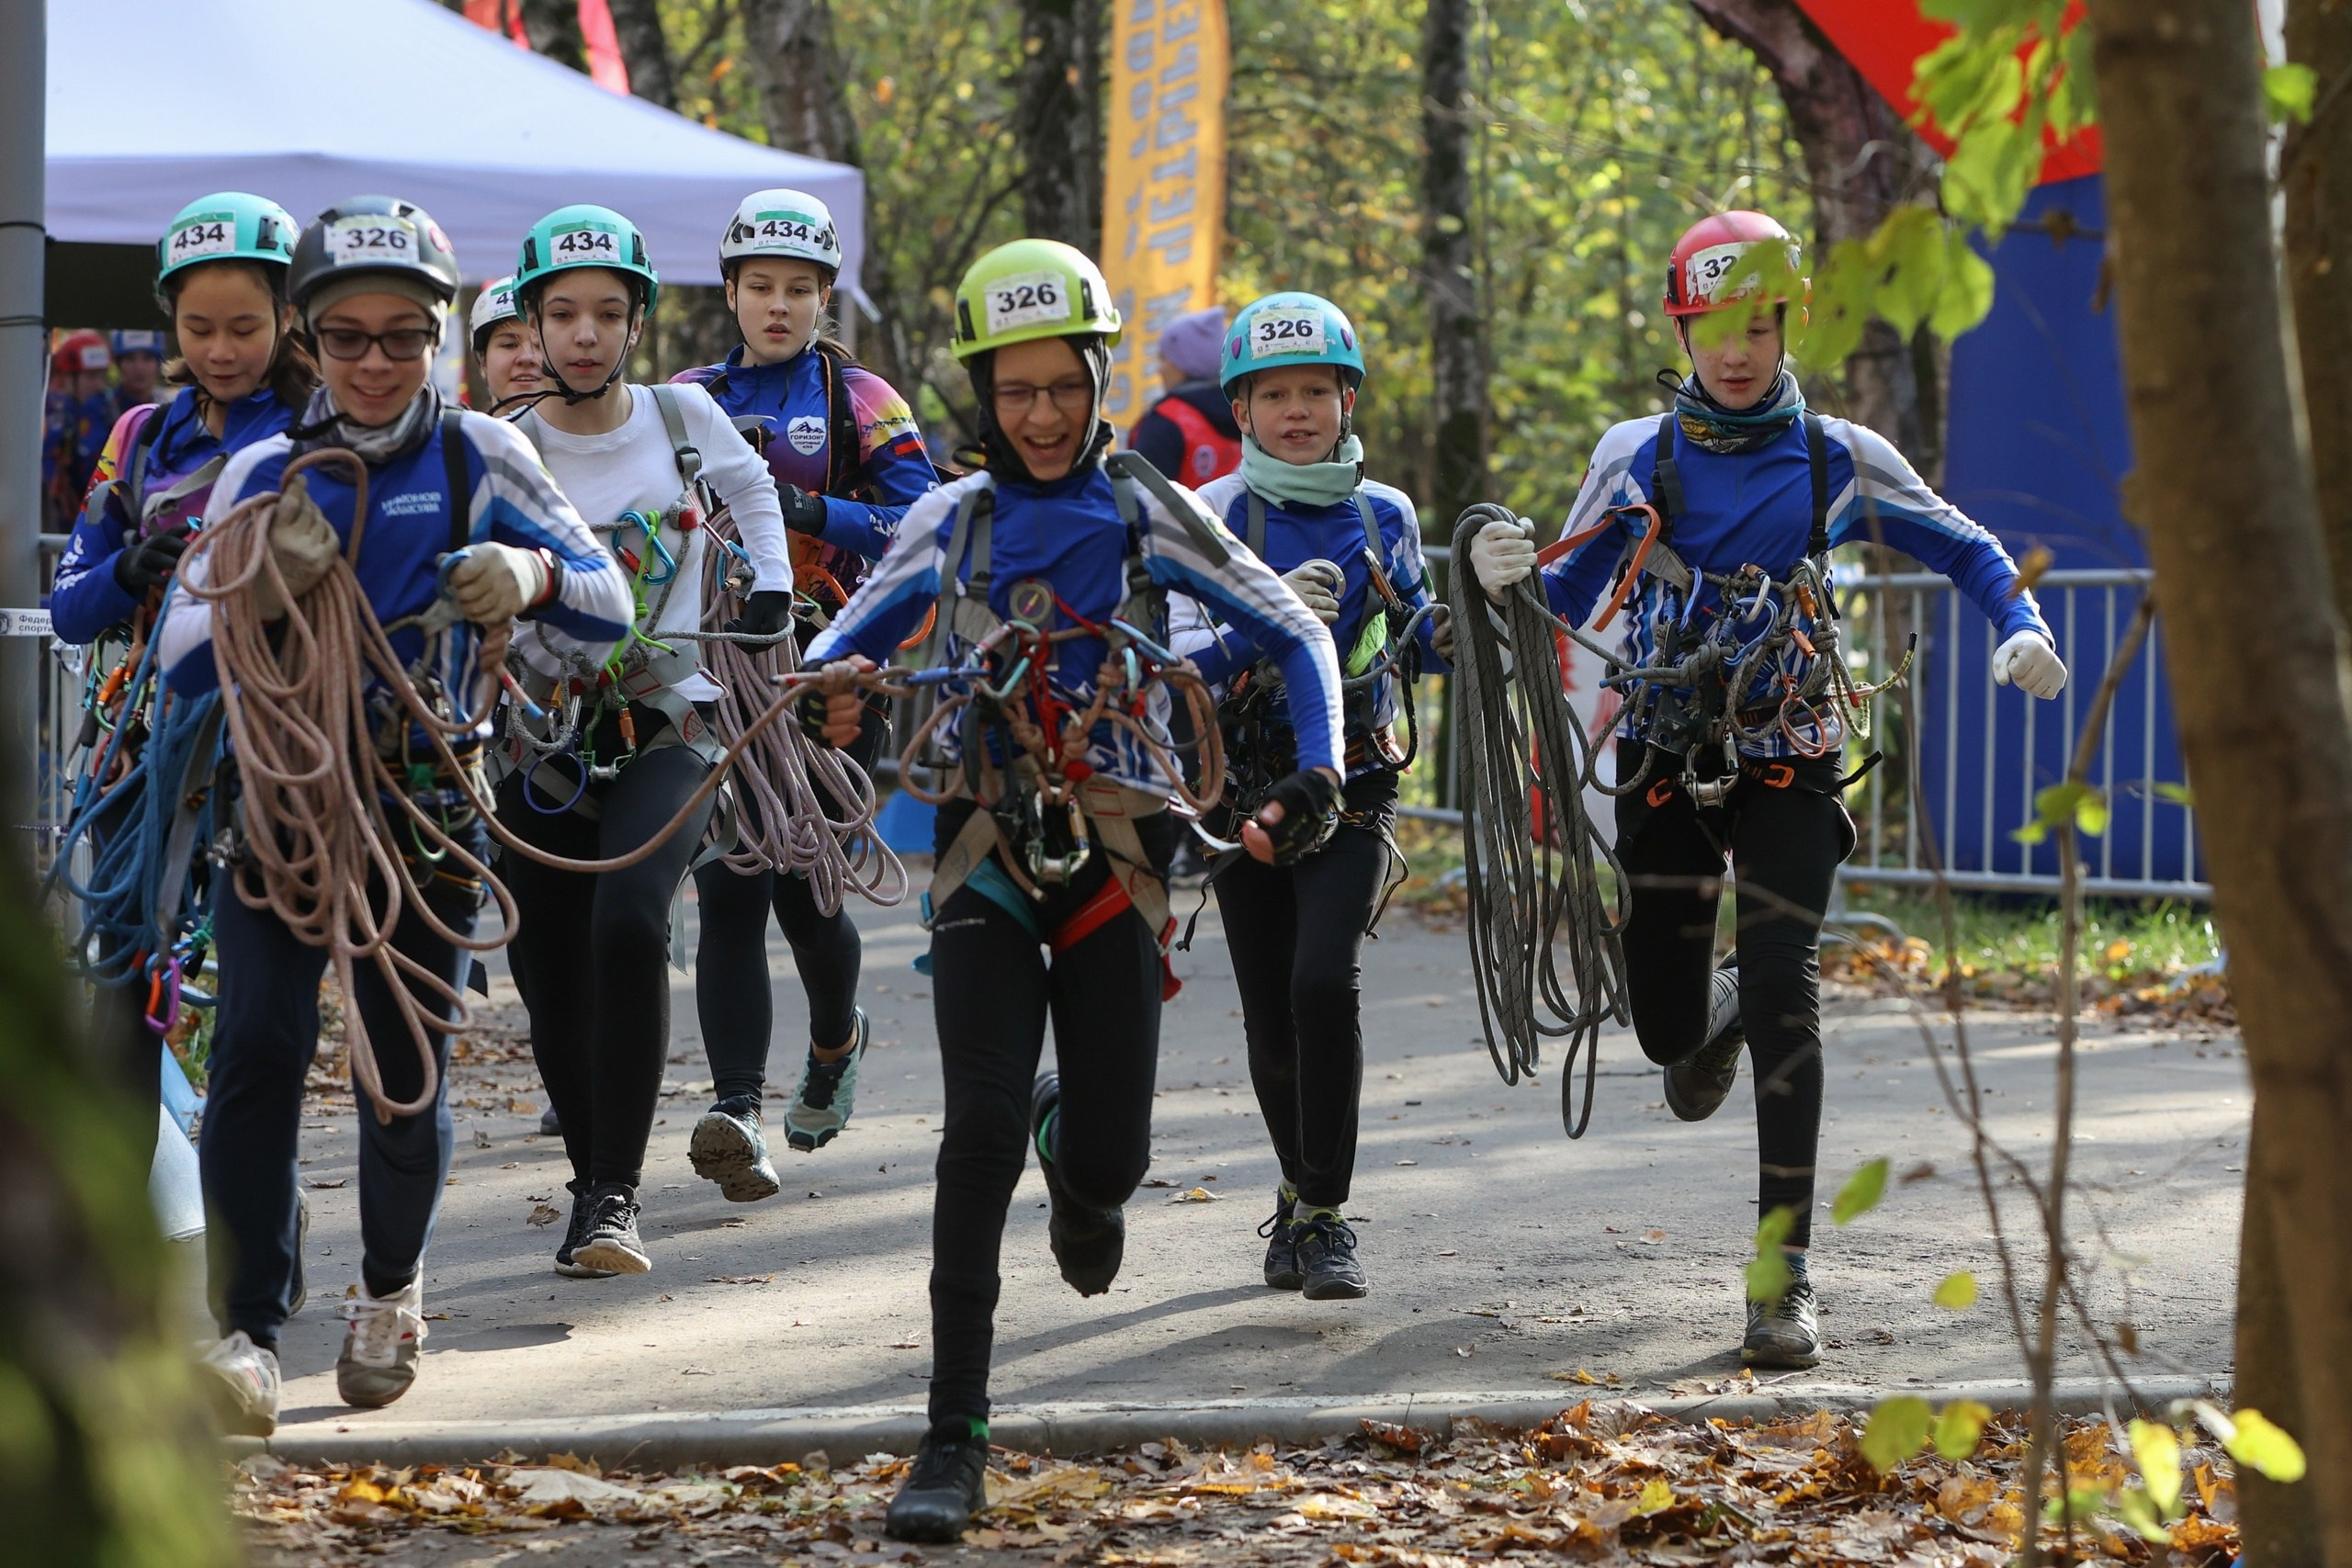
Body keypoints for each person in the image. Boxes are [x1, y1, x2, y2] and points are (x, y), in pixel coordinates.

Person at [794, 238, 1346, 1543]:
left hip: (1118, 854)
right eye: (1014, 390)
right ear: (983, 391)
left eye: (1063, 386)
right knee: (973, 1131)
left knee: (1113, 1158)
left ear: (1101, 377)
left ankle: (1076, 1153)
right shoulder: (953, 519)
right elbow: (842, 640)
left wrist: (1315, 771)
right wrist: (833, 684)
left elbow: (1297, 628)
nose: (1040, 415)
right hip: (985, 846)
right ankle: (952, 1434)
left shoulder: (1153, 508)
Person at [1466, 210, 2068, 1369]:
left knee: (1791, 989)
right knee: (1665, 1031)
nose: (1735, 351)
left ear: (1786, 322)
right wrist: (1500, 580)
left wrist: (2021, 625)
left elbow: (1968, 549)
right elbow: (1572, 586)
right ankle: (1712, 1005)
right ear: (1680, 328)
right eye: (1713, 327)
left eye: (1758, 324)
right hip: (1662, 742)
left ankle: (1779, 1277)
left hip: (1791, 738)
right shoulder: (1634, 452)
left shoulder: (1839, 453)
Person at [156, 195, 630, 1435]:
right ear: (309, 341)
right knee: (256, 1053)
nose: (377, 363)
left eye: (404, 336)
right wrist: (263, 592)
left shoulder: (483, 454)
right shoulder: (266, 469)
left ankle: (385, 1287)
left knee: (399, 1071)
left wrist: (526, 573)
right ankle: (247, 1328)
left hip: (425, 807)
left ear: (439, 338)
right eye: (350, 337)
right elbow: (180, 654)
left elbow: (608, 601)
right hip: (285, 810)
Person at [492, 203, 794, 1279]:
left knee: (628, 924)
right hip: (535, 742)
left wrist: (774, 582)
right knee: (549, 972)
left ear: (637, 323)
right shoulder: (504, 442)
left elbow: (754, 487)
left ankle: (615, 1197)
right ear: (530, 322)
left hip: (667, 723)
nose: (584, 334)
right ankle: (590, 1186)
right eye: (562, 313)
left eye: (607, 313)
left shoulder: (680, 417)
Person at [1171, 292, 1449, 1303]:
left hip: (1353, 785)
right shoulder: (1207, 513)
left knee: (1320, 982)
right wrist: (1267, 629)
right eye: (1275, 394)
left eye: (1316, 393)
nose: (1298, 412)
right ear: (1240, 408)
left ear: (1346, 399)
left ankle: (1325, 1215)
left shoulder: (1388, 514)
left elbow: (1413, 627)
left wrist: (1459, 631)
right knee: (1268, 1007)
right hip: (1236, 789)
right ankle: (1293, 1193)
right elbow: (1177, 665)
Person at [668, 188, 937, 1199]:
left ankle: (834, 1040)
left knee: (801, 879)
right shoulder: (683, 394)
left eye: (799, 290)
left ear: (825, 297)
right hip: (712, 661)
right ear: (730, 293)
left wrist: (810, 507)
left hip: (832, 659)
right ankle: (736, 1106)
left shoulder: (863, 400)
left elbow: (928, 519)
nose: (778, 306)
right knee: (730, 878)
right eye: (760, 287)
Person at [50, 193, 322, 1115]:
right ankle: (119, 1225)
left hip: (282, 742)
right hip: (148, 750)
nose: (220, 349)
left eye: (245, 326)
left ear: (289, 317)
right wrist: (129, 568)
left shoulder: (326, 434)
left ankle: (254, 1223)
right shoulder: (138, 439)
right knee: (126, 986)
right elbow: (69, 610)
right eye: (198, 327)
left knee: (261, 1001)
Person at [1126, 306, 1238, 485]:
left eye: (1164, 358)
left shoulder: (1165, 421)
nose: (1159, 369)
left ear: (1186, 361)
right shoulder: (1249, 412)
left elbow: (1141, 500)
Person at [44, 331, 117, 528]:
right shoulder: (53, 412)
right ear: (67, 377)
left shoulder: (101, 408)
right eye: (91, 376)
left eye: (102, 376)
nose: (99, 385)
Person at [469, 275, 545, 410]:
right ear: (483, 361)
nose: (527, 357)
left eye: (540, 345)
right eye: (509, 345)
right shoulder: (458, 430)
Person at [112, 329, 167, 408]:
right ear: (118, 364)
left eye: (147, 358)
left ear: (159, 363)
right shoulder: (102, 409)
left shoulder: (171, 405)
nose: (139, 367)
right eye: (130, 359)